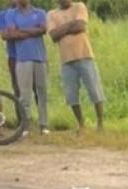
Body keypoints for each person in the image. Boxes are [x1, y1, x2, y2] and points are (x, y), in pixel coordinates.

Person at [47, 0, 102, 131]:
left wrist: (62, 29)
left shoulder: (79, 6)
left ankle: (100, 123)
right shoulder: (51, 14)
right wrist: (71, 24)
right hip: (66, 60)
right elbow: (54, 35)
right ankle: (81, 124)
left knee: (94, 90)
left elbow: (80, 27)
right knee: (71, 95)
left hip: (85, 55)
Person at [0, 0, 46, 134]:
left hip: (39, 57)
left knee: (41, 91)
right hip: (19, 57)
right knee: (23, 93)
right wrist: (33, 31)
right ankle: (25, 124)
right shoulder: (8, 14)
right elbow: (10, 35)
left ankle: (44, 124)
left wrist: (22, 31)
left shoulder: (40, 12)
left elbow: (43, 29)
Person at [0, 0, 16, 96]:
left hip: (32, 54)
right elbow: (4, 35)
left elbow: (41, 29)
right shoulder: (2, 15)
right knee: (17, 87)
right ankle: (20, 111)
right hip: (13, 55)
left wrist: (15, 32)